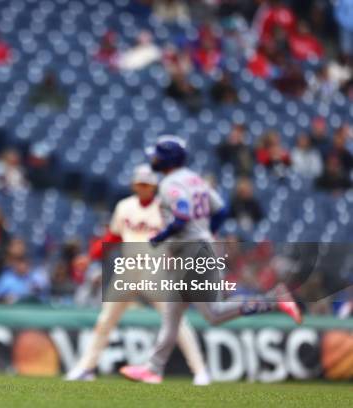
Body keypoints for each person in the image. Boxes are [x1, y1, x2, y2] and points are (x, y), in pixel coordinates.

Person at [119, 136, 302, 384]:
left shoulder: (170, 183)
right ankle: (153, 368)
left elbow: (182, 216)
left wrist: (160, 237)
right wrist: (208, 232)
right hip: (197, 247)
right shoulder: (195, 179)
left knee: (213, 314)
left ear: (168, 159)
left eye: (158, 155)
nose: (154, 158)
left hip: (193, 250)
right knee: (173, 313)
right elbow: (221, 209)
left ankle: (274, 299)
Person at [65, 164, 211, 386]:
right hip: (127, 270)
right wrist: (91, 256)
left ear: (154, 186)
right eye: (140, 183)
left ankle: (200, 371)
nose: (144, 188)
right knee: (105, 321)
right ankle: (86, 367)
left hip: (156, 271)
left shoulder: (166, 209)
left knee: (176, 322)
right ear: (134, 185)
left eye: (148, 184)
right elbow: (112, 237)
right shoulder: (124, 207)